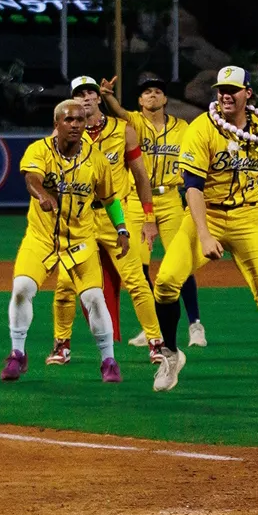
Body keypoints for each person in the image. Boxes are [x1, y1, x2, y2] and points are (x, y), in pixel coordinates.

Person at [149, 67, 258, 397]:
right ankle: (170, 355)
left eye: (233, 89)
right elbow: (193, 188)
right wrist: (204, 234)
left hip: (248, 219)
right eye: (221, 89)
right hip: (206, 214)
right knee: (167, 282)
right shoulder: (202, 128)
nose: (226, 94)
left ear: (248, 94)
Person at [0, 99, 130, 384]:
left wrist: (121, 229)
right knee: (21, 288)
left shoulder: (96, 160)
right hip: (42, 237)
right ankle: (17, 354)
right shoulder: (40, 150)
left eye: (80, 120)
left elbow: (109, 199)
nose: (75, 125)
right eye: (69, 120)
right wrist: (41, 195)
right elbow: (32, 178)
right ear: (56, 124)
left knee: (94, 298)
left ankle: (108, 361)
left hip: (81, 239)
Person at [47, 76, 163, 366]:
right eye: (79, 94)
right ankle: (62, 345)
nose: (86, 97)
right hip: (78, 219)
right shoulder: (63, 133)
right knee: (64, 285)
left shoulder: (123, 130)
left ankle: (156, 343)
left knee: (137, 281)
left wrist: (149, 218)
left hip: (116, 217)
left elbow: (140, 175)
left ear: (99, 98)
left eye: (90, 92)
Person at [99, 72, 206, 350]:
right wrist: (107, 95)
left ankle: (195, 324)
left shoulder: (183, 127)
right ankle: (153, 328)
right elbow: (118, 111)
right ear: (140, 99)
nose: (152, 95)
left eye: (158, 91)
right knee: (138, 264)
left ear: (166, 98)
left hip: (170, 198)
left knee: (179, 262)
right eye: (147, 92)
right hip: (135, 200)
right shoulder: (133, 122)